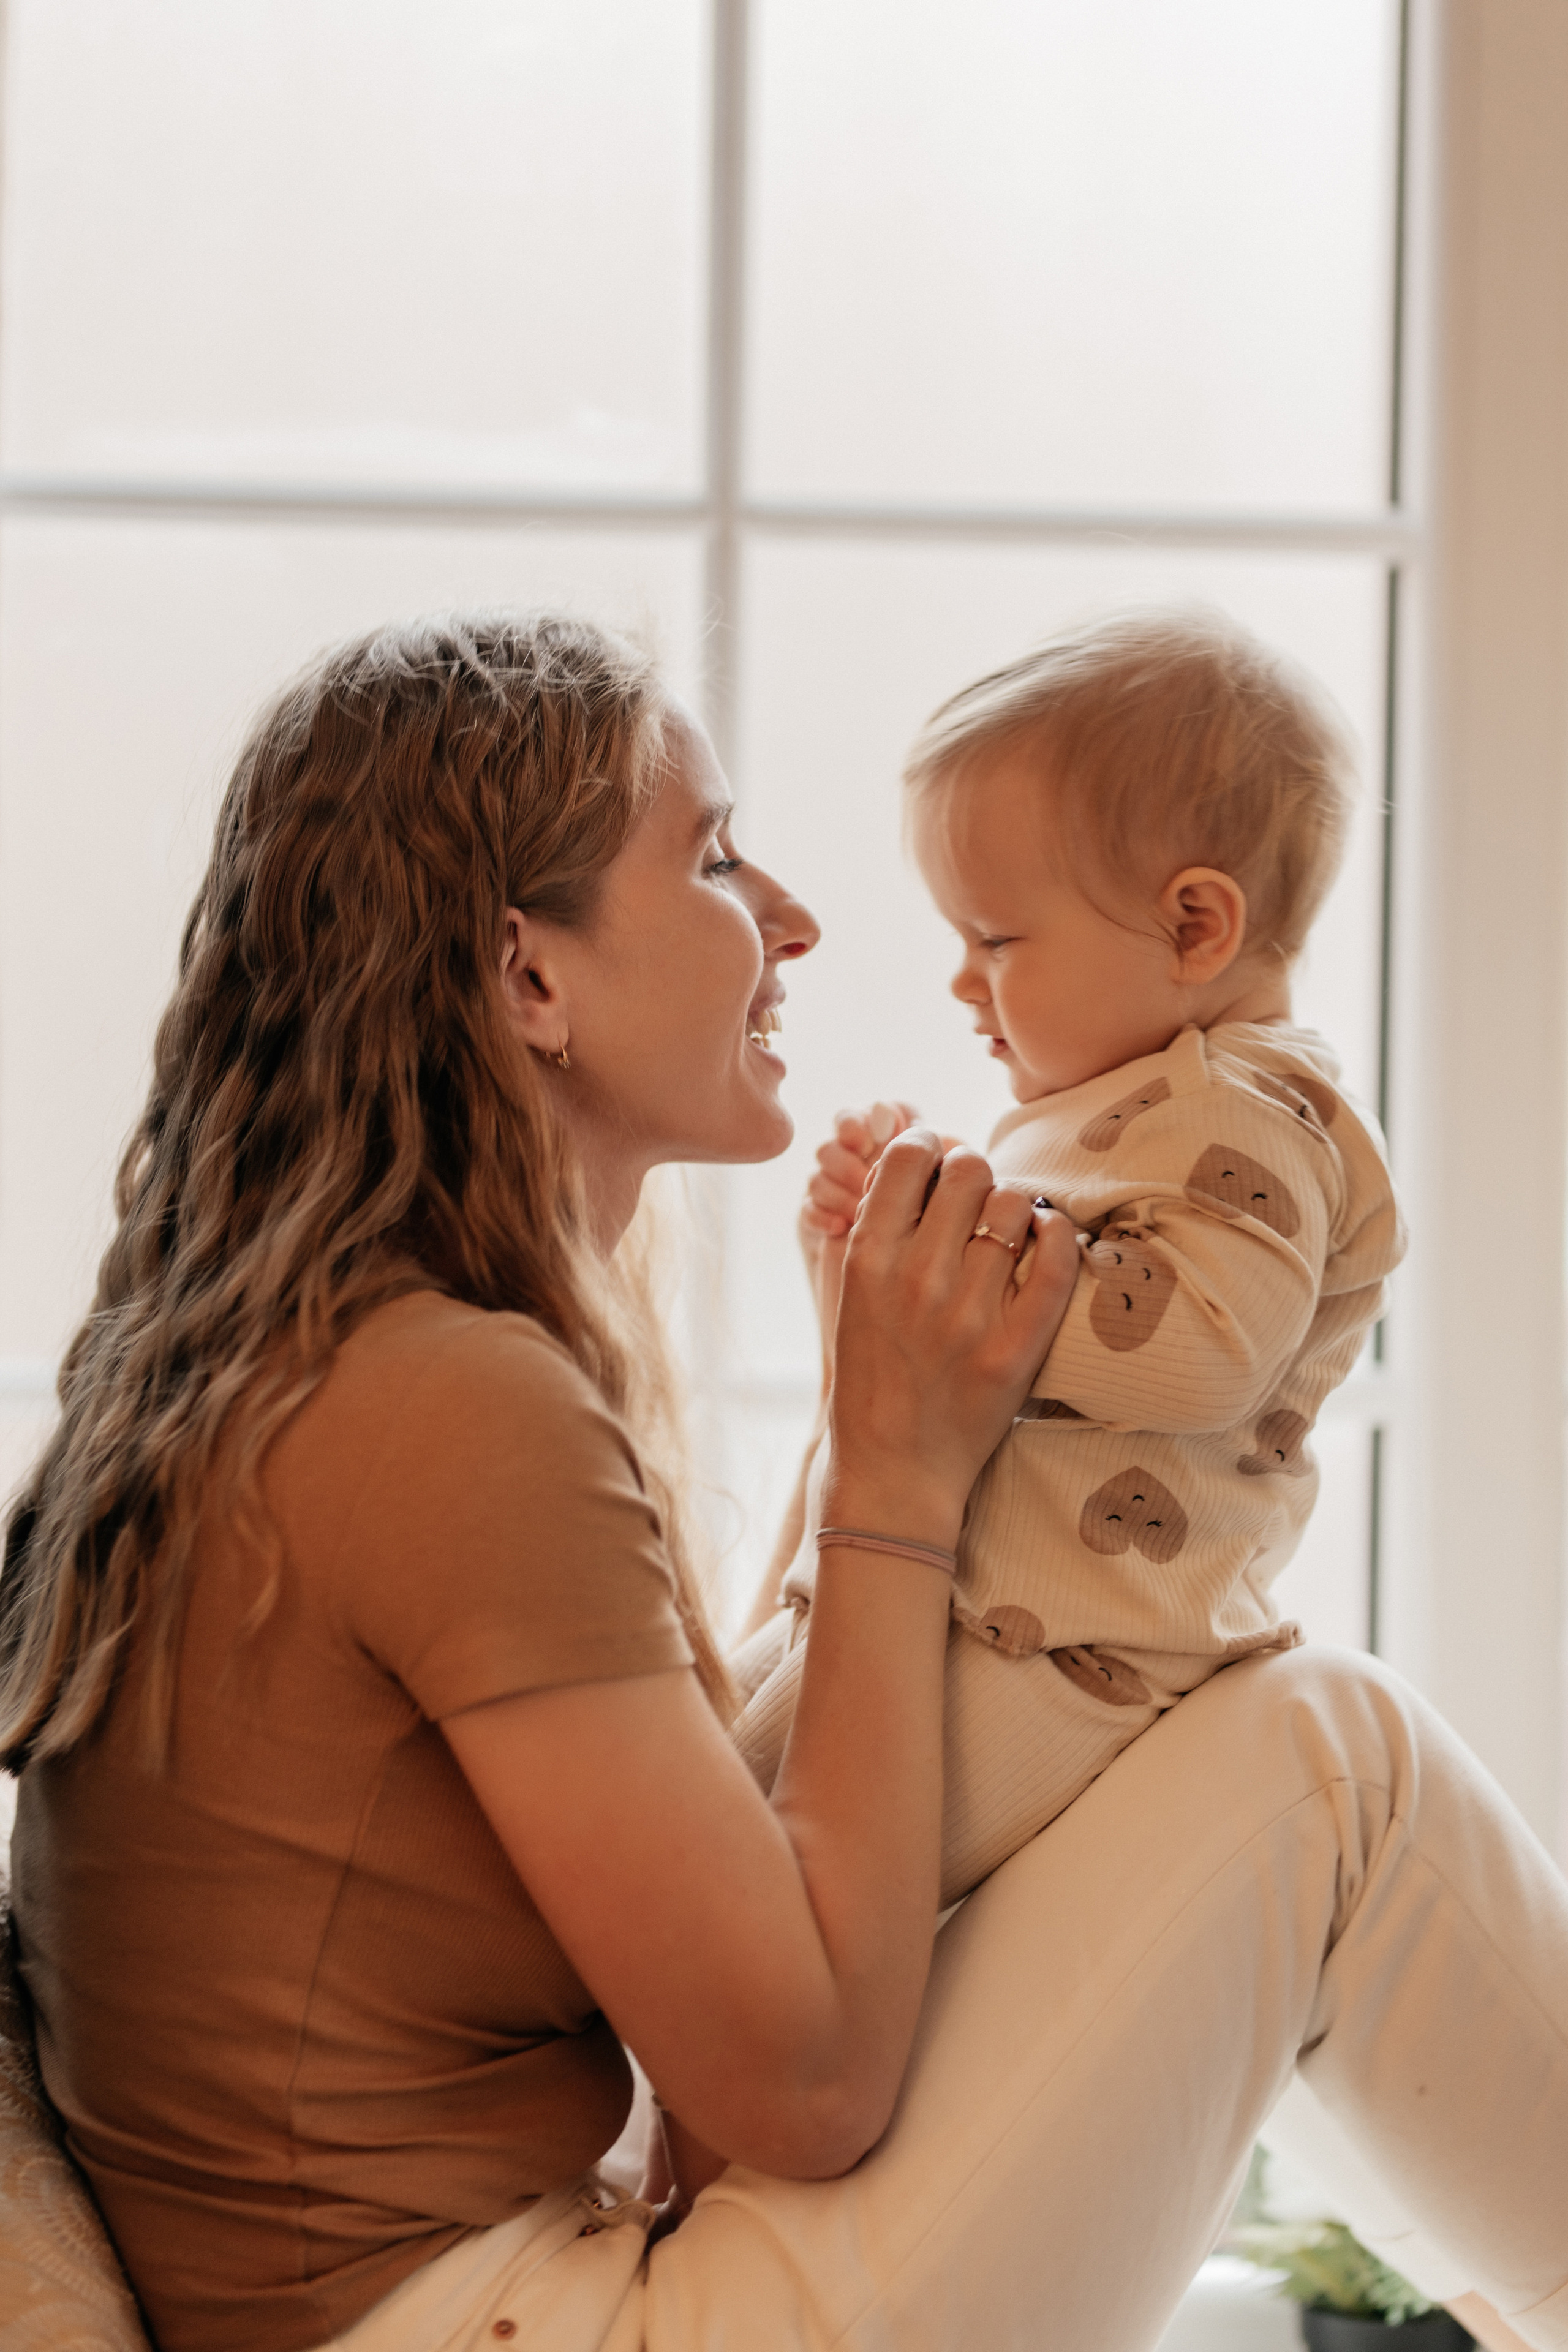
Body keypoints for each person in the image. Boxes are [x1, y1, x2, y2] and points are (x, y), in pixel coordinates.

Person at [0, 612, 1562, 2352]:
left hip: (487, 2303)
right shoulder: (440, 1404)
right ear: (532, 980)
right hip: (500, 2329)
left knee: (1309, 1748)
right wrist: (895, 1474)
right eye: (719, 857)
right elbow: (802, 2079)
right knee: (1328, 1761)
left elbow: (730, 1918)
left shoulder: (337, 1365)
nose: (798, 920)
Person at [732, 613, 1404, 1907]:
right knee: (687, 1770)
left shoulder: (1246, 1114)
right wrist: (895, 1221)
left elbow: (1204, 1351)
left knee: (717, 1861)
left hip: (1064, 1658)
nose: (960, 984)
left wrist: (960, 1254)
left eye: (994, 940)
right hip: (956, 1616)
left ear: (1195, 927)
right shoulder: (1153, 1097)